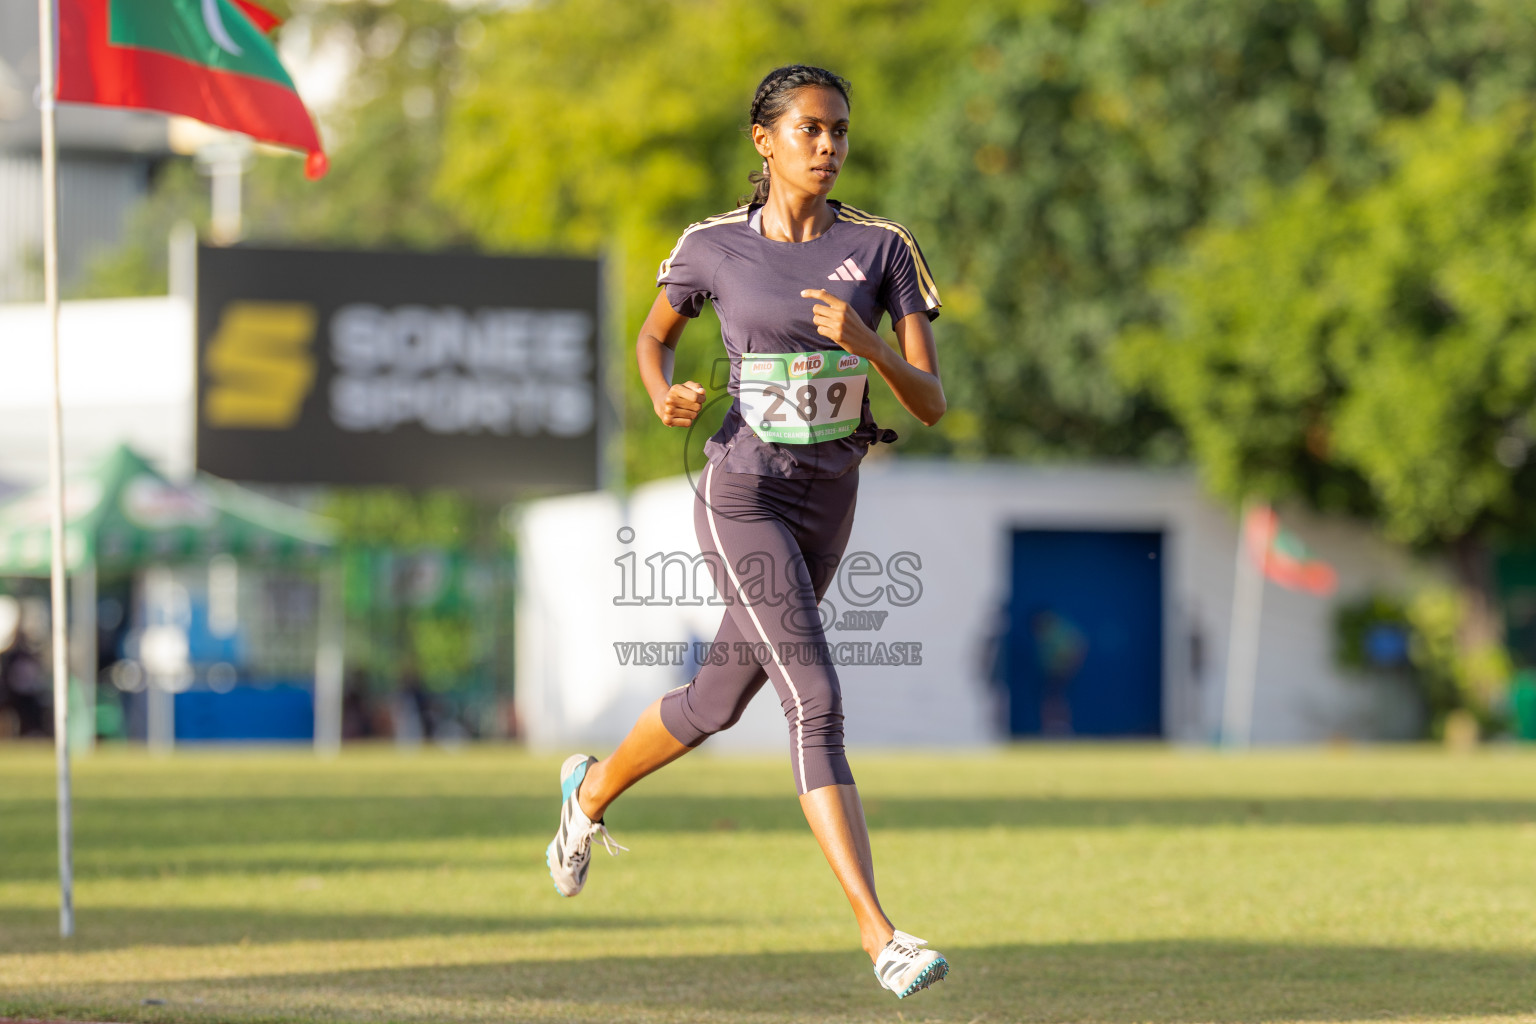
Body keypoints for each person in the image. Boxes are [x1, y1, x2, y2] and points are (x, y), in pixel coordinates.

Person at [545, 64, 950, 999]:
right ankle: (880, 935)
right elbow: (654, 337)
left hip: (828, 496)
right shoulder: (712, 246)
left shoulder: (883, 248)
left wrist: (873, 345)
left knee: (718, 701)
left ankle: (588, 793)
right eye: (810, 129)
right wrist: (664, 393)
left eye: (840, 130)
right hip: (742, 491)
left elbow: (929, 404)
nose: (829, 145)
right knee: (815, 697)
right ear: (765, 141)